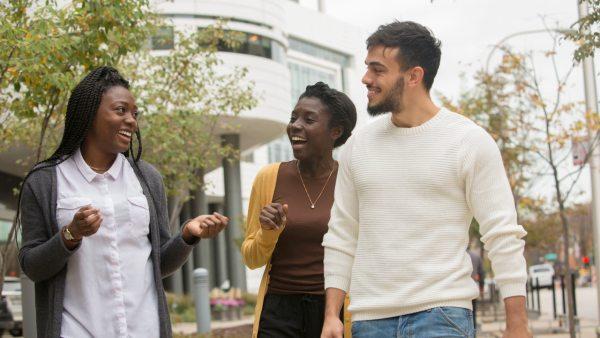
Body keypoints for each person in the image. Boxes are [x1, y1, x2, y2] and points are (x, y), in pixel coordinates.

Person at [320, 21, 531, 338]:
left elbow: (502, 234)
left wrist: (517, 324)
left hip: (442, 315)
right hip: (369, 319)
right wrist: (331, 316)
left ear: (414, 76)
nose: (366, 79)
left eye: (377, 70)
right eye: (367, 68)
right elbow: (342, 234)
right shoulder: (357, 147)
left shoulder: (469, 142)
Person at [18, 67, 228, 338]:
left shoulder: (147, 178)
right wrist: (71, 235)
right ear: (90, 113)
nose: (132, 121)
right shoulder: (46, 181)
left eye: (134, 114)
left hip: (146, 330)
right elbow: (32, 266)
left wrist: (187, 235)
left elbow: (159, 264)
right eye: (121, 110)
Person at [242, 82, 357, 338]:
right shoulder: (269, 177)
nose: (295, 125)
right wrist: (267, 232)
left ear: (335, 131)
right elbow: (251, 259)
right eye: (294, 118)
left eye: (309, 119)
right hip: (278, 311)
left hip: (334, 309)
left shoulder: (351, 181)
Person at [468, 248, 485, 334]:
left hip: (459, 290)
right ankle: (473, 334)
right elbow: (482, 273)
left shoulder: (460, 256)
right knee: (473, 314)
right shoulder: (476, 256)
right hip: (472, 289)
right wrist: (481, 288)